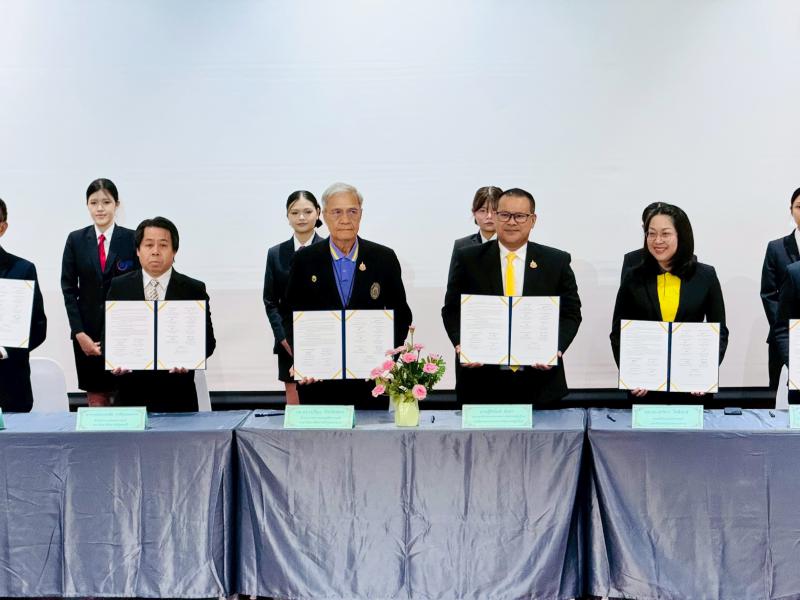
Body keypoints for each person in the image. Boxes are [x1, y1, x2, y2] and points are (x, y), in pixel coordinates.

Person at [442, 188, 582, 406]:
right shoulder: (468, 259)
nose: (512, 222)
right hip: (481, 382)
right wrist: (461, 343)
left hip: (540, 383)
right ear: (496, 217)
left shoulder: (556, 261)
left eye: (520, 216)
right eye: (505, 215)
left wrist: (555, 347)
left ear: (533, 220)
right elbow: (452, 309)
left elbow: (571, 313)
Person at [283, 182, 413, 409]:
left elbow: (401, 315)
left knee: (372, 433)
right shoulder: (304, 260)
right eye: (337, 212)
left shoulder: (383, 258)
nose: (345, 219)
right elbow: (290, 315)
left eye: (352, 211)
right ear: (324, 215)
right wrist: (305, 359)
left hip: (371, 381)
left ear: (361, 214)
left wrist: (386, 361)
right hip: (318, 380)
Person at [610, 203, 728, 403]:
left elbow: (719, 332)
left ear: (682, 236)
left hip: (692, 390)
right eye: (651, 234)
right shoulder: (633, 277)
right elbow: (618, 332)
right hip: (645, 391)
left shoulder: (705, 276)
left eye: (665, 234)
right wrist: (631, 375)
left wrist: (704, 375)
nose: (657, 241)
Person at [107, 217, 216, 412]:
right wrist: (115, 360)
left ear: (174, 251)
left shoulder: (193, 289)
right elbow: (106, 337)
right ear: (138, 250)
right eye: (149, 245)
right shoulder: (119, 287)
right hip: (131, 395)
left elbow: (208, 341)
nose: (155, 251)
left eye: (163, 245)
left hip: (177, 395)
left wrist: (189, 359)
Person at [61, 178, 138, 406]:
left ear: (117, 204)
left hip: (125, 334)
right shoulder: (76, 240)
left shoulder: (133, 239)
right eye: (94, 203)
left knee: (128, 401)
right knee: (97, 402)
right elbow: (68, 289)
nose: (100, 208)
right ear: (87, 205)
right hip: (88, 337)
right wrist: (79, 333)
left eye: (106, 202)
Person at [263, 190, 323, 405]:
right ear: (287, 216)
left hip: (323, 338)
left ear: (318, 212)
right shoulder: (275, 253)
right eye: (295, 212)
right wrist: (283, 338)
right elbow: (270, 301)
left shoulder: (329, 250)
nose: (301, 217)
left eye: (307, 211)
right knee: (296, 407)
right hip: (287, 340)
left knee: (323, 400)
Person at [444, 186, 503, 400]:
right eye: (482, 210)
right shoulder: (462, 247)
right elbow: (453, 298)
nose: (489, 217)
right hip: (474, 339)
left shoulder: (515, 245)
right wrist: (461, 342)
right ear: (474, 213)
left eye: (495, 211)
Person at [0, 198, 47, 412]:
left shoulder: (22, 270)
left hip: (10, 387)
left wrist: (4, 351)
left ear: (2, 228)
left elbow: (38, 328)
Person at [761, 187, 800, 389]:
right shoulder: (776, 248)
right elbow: (768, 293)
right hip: (782, 337)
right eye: (799, 207)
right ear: (791, 210)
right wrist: (784, 327)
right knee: (780, 397)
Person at [619, 202, 665, 284]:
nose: (658, 239)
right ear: (644, 228)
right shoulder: (632, 260)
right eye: (653, 227)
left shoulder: (687, 260)